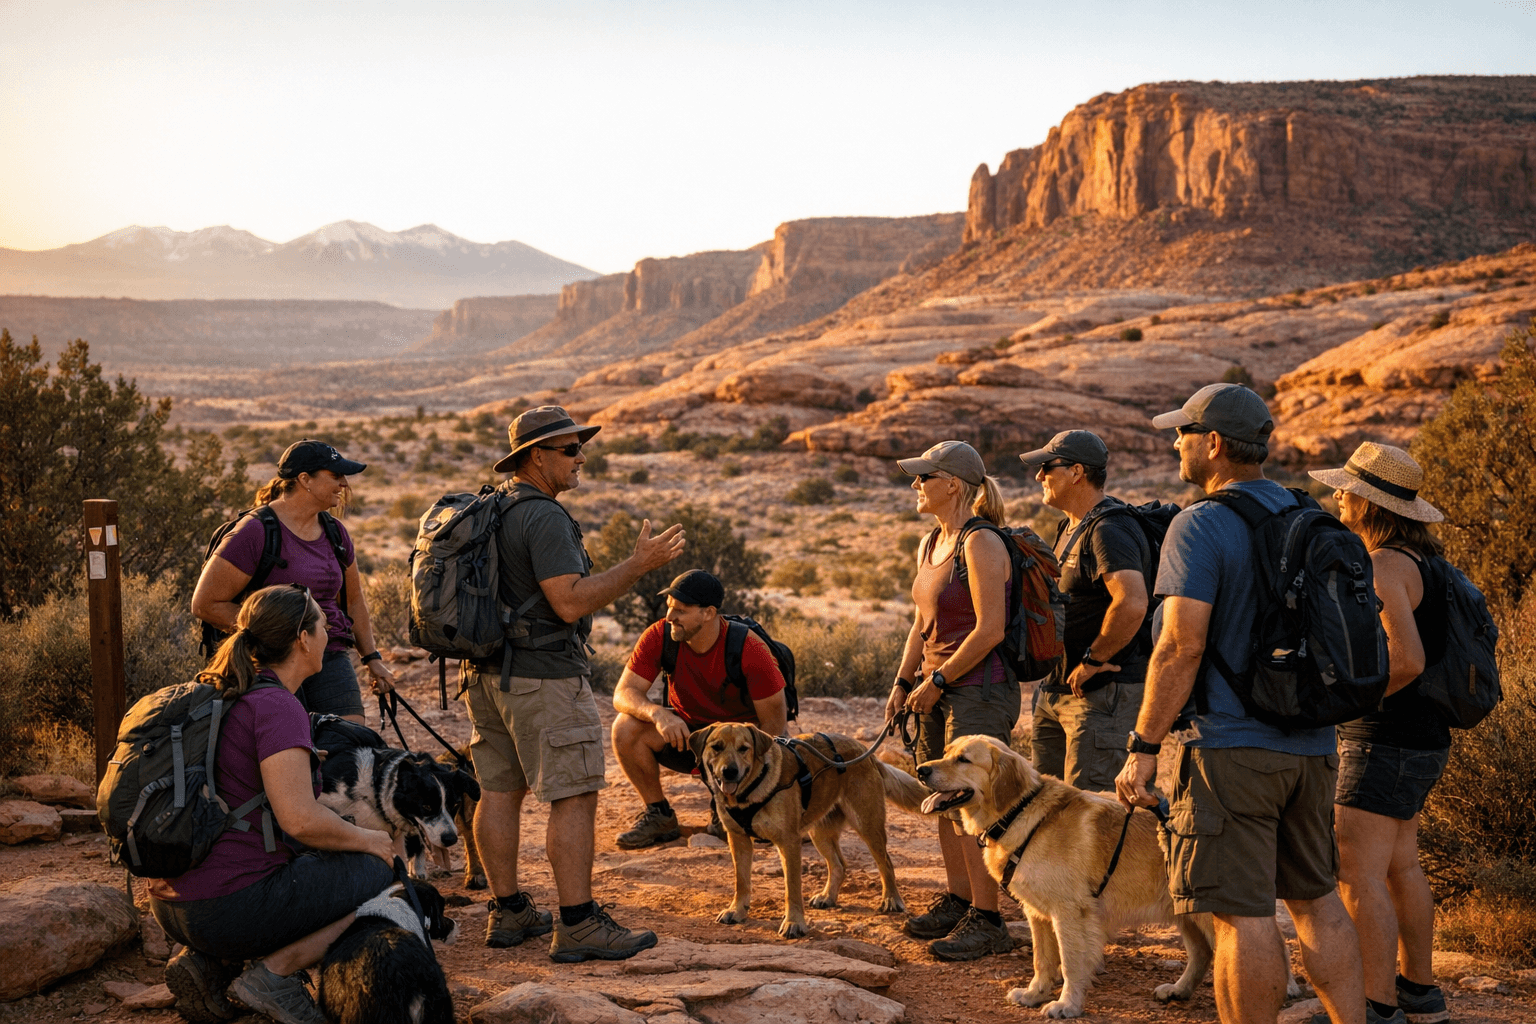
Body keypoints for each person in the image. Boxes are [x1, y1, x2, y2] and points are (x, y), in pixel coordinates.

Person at [1114, 383, 1368, 1024]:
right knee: (1317, 902)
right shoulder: (1309, 517)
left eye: (1183, 433)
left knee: (1239, 916)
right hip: (1312, 745)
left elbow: (1178, 645)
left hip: (1229, 749)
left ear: (1215, 444)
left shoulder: (1199, 524)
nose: (1175, 443)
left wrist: (1143, 749)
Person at [463, 405, 685, 963]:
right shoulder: (544, 517)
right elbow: (568, 602)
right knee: (575, 794)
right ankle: (579, 923)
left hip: (489, 672)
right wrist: (637, 565)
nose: (580, 457)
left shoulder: (496, 507)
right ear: (536, 457)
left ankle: (509, 911)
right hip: (543, 676)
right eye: (570, 449)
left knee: (499, 791)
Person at [150, 584, 401, 1024]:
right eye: (325, 626)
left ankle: (209, 962)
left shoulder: (223, 691)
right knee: (382, 874)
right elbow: (300, 820)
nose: (332, 633)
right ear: (303, 639)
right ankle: (274, 975)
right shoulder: (276, 706)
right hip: (225, 908)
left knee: (310, 857)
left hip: (170, 904)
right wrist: (373, 840)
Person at [1308, 443, 1452, 1024]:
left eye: (1346, 488)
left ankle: (1374, 1006)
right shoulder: (1428, 561)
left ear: (1371, 502)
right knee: (1401, 867)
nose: (1337, 494)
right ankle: (1420, 992)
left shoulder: (1387, 566)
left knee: (1357, 871)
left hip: (1383, 738)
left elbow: (1408, 660)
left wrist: (1344, 705)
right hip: (1422, 737)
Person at [885, 440, 1019, 961]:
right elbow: (921, 624)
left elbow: (990, 630)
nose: (916, 485)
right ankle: (960, 900)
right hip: (933, 689)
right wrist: (902, 683)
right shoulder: (929, 544)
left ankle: (988, 919)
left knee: (977, 805)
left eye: (925, 477)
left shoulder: (980, 542)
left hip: (977, 690)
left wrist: (937, 681)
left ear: (955, 485)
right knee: (943, 798)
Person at [192, 439, 395, 725]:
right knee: (292, 745)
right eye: (335, 476)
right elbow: (205, 604)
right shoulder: (255, 532)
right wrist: (275, 635)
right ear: (304, 480)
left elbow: (353, 601)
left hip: (331, 654)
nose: (344, 485)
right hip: (272, 662)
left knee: (348, 741)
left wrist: (372, 658)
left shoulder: (335, 533)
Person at [611, 569, 788, 849]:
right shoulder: (660, 636)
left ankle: (734, 807)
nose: (670, 617)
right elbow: (624, 693)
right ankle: (659, 816)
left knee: (731, 831)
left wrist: (748, 778)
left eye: (680, 610)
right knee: (625, 727)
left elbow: (775, 729)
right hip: (689, 737)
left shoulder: (749, 649)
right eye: (669, 608)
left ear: (708, 613)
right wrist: (658, 714)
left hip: (738, 747)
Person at [1019, 429, 1152, 791]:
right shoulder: (1070, 526)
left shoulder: (1110, 529)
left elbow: (1132, 600)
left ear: (1077, 472)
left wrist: (1094, 659)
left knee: (1092, 811)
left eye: (1047, 467)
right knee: (1045, 806)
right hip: (1058, 687)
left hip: (1099, 692)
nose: (1038, 476)